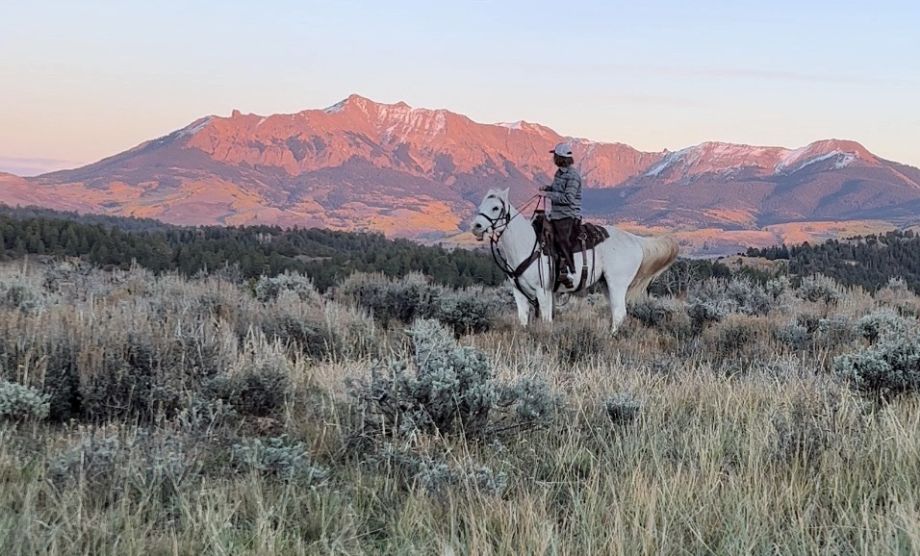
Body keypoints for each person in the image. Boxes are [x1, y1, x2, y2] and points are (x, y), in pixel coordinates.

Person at [540, 142, 582, 289]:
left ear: (561, 158)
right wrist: (548, 188)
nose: (553, 158)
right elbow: (559, 190)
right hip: (556, 214)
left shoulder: (573, 176)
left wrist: (548, 194)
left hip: (569, 214)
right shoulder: (559, 173)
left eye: (555, 156)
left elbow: (568, 198)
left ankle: (569, 271)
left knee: (562, 239)